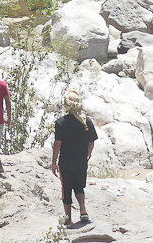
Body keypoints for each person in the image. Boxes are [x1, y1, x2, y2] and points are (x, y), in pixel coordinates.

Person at [51, 89, 98, 225]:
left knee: (66, 190)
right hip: (81, 161)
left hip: (65, 162)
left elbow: (57, 144)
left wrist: (54, 161)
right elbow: (91, 141)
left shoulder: (61, 123)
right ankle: (82, 209)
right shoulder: (86, 122)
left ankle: (68, 219)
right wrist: (88, 153)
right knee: (79, 187)